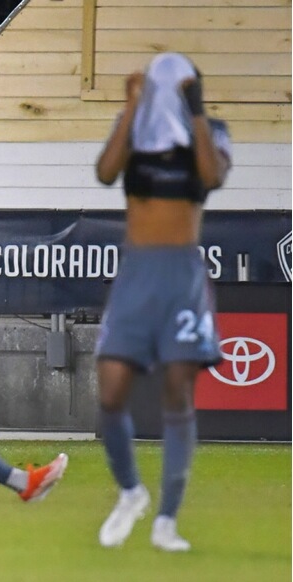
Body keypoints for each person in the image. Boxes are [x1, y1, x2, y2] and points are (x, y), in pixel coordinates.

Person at [94, 53, 231, 552]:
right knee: (111, 390)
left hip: (182, 274)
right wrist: (130, 107)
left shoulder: (211, 131)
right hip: (137, 271)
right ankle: (131, 493)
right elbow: (105, 171)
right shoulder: (135, 133)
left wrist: (195, 110)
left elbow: (211, 178)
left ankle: (167, 519)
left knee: (178, 390)